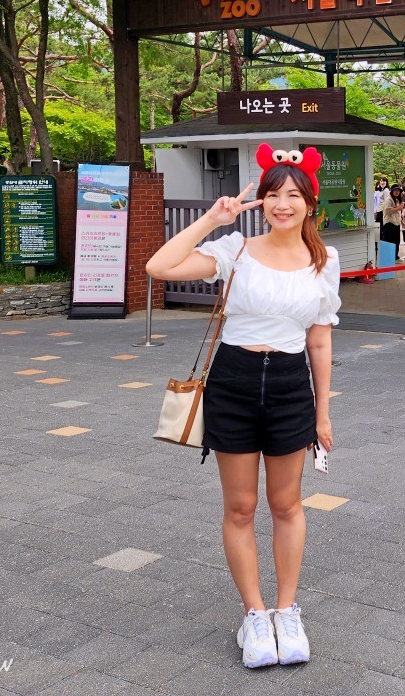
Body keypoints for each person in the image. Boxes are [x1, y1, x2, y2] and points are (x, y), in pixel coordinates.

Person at [145, 144, 339, 670]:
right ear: (261, 201)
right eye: (273, 194)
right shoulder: (236, 247)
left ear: (309, 203)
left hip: (290, 386)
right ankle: (254, 616)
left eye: (293, 195)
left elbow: (320, 343)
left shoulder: (325, 261)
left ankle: (286, 611)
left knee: (287, 505)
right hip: (232, 379)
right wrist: (214, 216)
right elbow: (158, 266)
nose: (282, 204)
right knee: (240, 507)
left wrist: (323, 413)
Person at [380, 186, 404, 259]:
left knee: (396, 241)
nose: (397, 192)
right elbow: (387, 211)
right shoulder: (388, 200)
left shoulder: (397, 200)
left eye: (398, 191)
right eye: (395, 190)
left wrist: (402, 222)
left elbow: (398, 213)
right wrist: (398, 208)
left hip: (396, 223)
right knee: (389, 241)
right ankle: (389, 257)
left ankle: (394, 256)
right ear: (392, 191)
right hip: (389, 223)